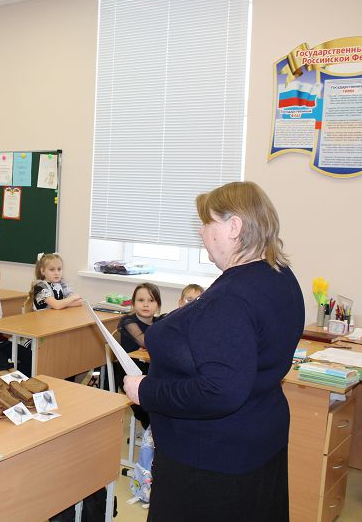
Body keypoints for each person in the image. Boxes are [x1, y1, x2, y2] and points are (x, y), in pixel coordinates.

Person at [123, 181, 304, 522]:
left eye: (207, 223)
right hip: (260, 437)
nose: (201, 231)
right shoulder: (279, 277)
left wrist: (146, 391)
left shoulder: (231, 299)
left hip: (211, 459)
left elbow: (220, 391)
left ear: (234, 227)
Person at [114, 283, 163, 430]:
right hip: (130, 374)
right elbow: (145, 341)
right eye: (141, 300)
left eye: (151, 300)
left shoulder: (160, 322)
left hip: (152, 370)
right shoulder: (128, 321)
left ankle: (157, 429)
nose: (146, 304)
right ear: (133, 304)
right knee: (152, 404)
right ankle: (151, 429)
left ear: (158, 305)